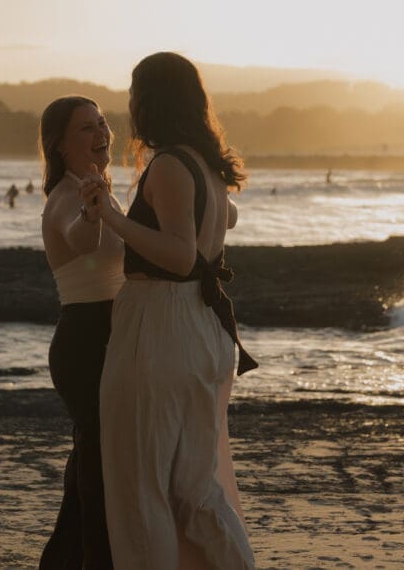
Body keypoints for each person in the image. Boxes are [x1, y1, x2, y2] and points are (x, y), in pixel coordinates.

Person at [81, 51, 257, 568]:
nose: (130, 103)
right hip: (202, 330)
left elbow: (182, 256)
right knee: (194, 492)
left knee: (140, 493)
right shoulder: (209, 165)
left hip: (159, 327)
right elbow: (229, 220)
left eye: (135, 91)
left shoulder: (170, 165)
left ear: (152, 99)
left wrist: (113, 216)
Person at [39, 96, 123, 569]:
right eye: (87, 128)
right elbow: (82, 242)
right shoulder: (68, 197)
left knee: (89, 471)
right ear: (60, 144)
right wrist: (93, 212)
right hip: (84, 342)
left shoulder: (99, 187)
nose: (101, 134)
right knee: (97, 472)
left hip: (109, 335)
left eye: (103, 123)